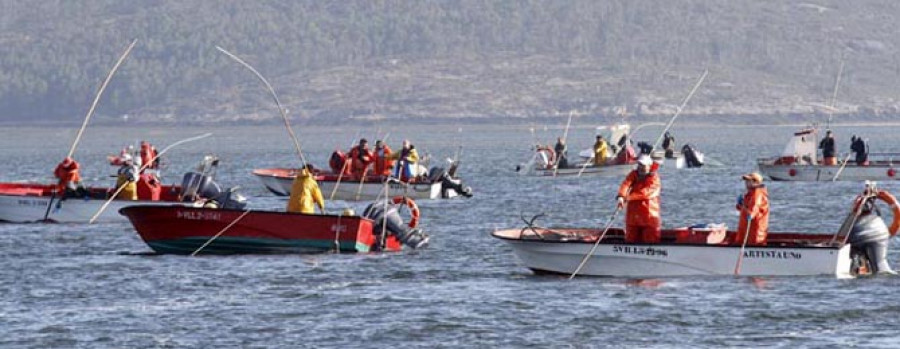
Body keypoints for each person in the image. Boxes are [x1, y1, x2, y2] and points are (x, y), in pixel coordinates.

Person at [616, 155, 662, 243]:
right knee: (630, 239)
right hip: (633, 217)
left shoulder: (654, 179)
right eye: (639, 165)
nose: (641, 167)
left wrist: (628, 197)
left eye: (643, 165)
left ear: (649, 166)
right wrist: (621, 196)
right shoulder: (633, 174)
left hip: (649, 216)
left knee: (651, 240)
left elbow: (646, 193)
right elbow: (626, 184)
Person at [733, 172, 769, 246]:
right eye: (746, 181)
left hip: (754, 231)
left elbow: (753, 210)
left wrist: (744, 207)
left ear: (755, 182)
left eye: (748, 181)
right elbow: (743, 209)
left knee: (753, 244)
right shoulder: (750, 194)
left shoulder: (757, 193)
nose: (746, 183)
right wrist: (740, 204)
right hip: (745, 229)